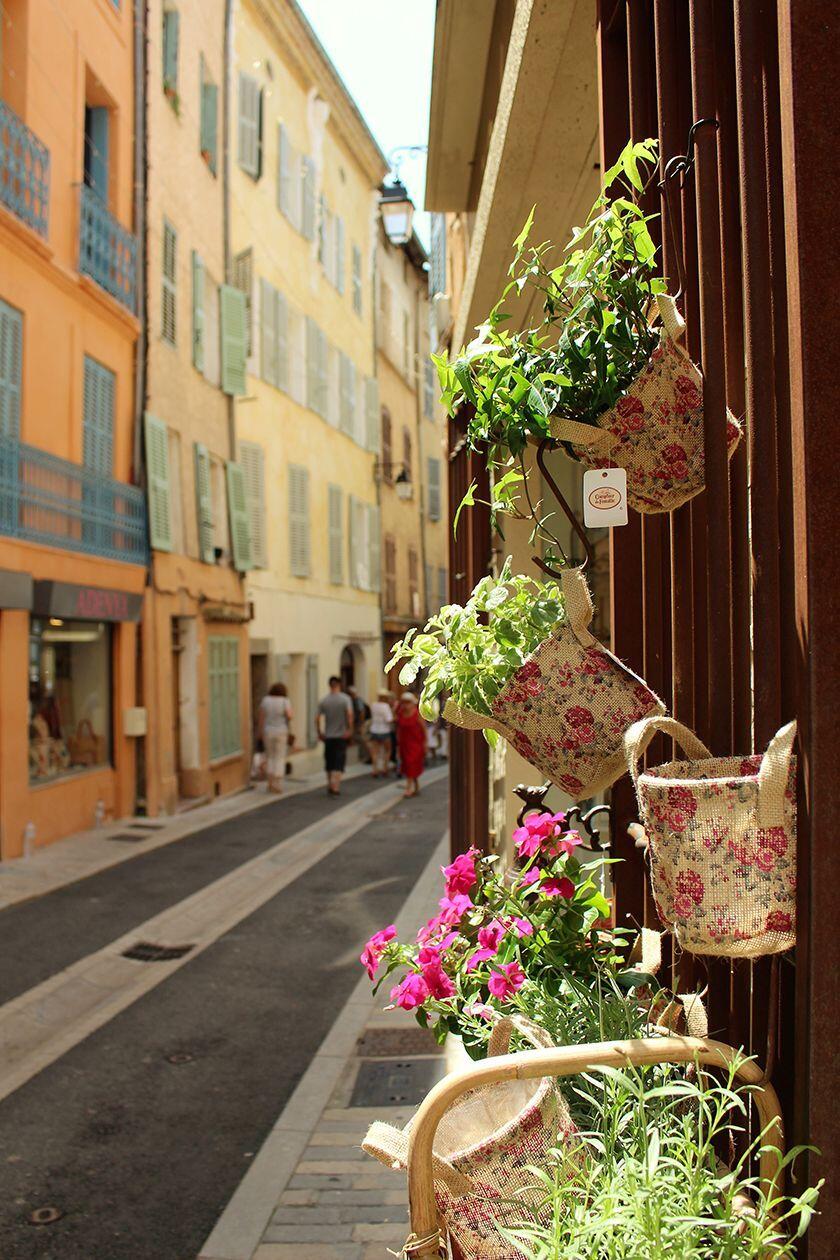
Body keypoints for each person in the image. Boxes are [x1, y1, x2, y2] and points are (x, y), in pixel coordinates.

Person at [317, 675, 354, 796]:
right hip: (341, 735)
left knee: (329, 761)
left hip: (328, 735)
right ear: (339, 685)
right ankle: (335, 786)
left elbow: (317, 718)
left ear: (329, 685)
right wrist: (349, 729)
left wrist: (319, 732)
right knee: (339, 762)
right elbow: (349, 715)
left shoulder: (324, 700)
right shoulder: (345, 699)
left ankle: (329, 783)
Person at [257, 682, 293, 794]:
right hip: (281, 731)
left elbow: (261, 718)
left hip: (268, 731)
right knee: (279, 756)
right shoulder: (285, 701)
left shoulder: (265, 700)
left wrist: (260, 732)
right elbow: (290, 716)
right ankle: (278, 783)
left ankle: (270, 782)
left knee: (270, 756)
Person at [395, 691, 426, 798]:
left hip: (416, 744)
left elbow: (424, 729)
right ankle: (416, 785)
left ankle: (408, 788)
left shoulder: (417, 714)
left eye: (408, 702)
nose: (405, 705)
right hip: (404, 744)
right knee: (408, 766)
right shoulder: (400, 713)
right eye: (403, 703)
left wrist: (425, 744)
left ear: (413, 703)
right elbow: (398, 728)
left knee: (411, 764)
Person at [368, 689, 395, 777]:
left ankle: (375, 769)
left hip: (374, 730)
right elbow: (389, 719)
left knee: (375, 752)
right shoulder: (385, 706)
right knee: (387, 750)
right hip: (384, 731)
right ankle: (385, 768)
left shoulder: (373, 705)